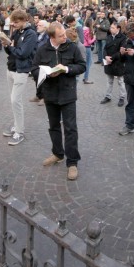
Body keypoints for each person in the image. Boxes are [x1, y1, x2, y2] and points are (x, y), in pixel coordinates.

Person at [34, 22, 85, 181]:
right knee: (54, 126)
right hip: (50, 94)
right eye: (61, 36)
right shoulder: (42, 49)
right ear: (52, 37)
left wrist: (67, 69)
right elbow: (34, 69)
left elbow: (82, 66)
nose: (65, 37)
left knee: (70, 128)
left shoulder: (71, 47)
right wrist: (47, 74)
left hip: (68, 93)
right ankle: (57, 153)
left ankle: (72, 162)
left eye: (64, 34)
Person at [2, 10, 38, 145]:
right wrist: (6, 45)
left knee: (15, 101)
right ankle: (17, 126)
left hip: (21, 70)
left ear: (24, 21)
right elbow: (11, 49)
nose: (14, 24)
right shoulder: (17, 32)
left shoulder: (31, 34)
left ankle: (19, 132)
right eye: (13, 22)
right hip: (11, 68)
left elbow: (23, 53)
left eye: (16, 22)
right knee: (14, 101)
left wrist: (10, 48)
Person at [101, 21, 128, 106]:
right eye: (110, 27)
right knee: (109, 80)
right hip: (109, 61)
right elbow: (104, 48)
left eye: (112, 28)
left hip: (118, 62)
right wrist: (105, 57)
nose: (110, 29)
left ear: (118, 29)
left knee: (121, 81)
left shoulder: (123, 38)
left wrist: (111, 58)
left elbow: (121, 52)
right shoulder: (108, 37)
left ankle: (122, 97)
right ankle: (108, 96)